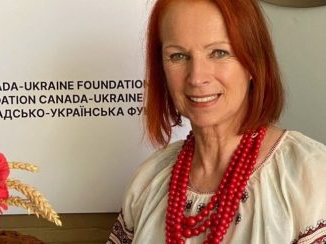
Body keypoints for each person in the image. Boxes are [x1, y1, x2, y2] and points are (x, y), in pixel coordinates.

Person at [108, 0, 326, 243]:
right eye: (178, 56)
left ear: (253, 62)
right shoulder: (148, 180)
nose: (197, 77)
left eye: (219, 53)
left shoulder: (311, 177)